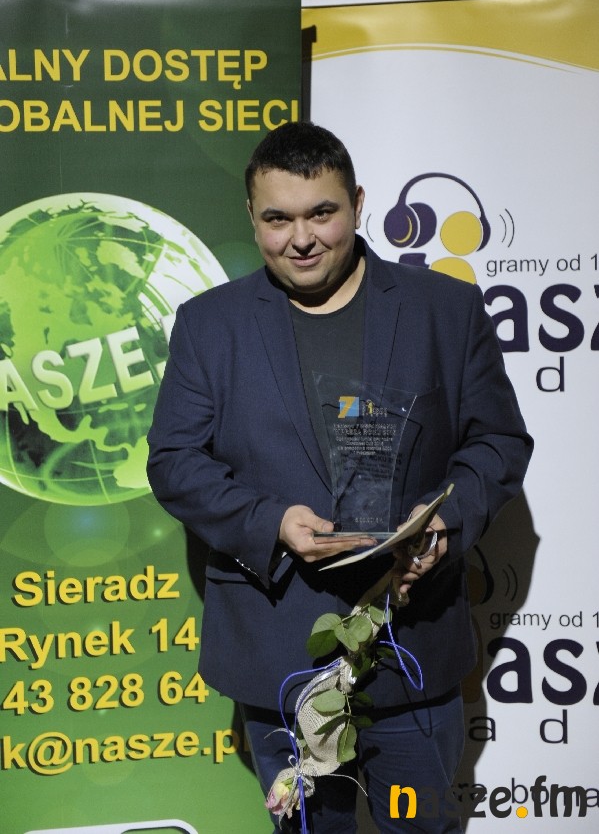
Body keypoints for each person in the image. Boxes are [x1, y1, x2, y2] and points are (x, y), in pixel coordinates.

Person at [147, 121, 533, 833]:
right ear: (251, 216)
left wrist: (442, 524)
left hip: (411, 646)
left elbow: (498, 442)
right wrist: (270, 523)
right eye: (277, 219)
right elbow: (174, 462)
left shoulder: (444, 311)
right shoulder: (209, 325)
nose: (301, 238)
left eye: (321, 213)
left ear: (356, 203)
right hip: (280, 654)